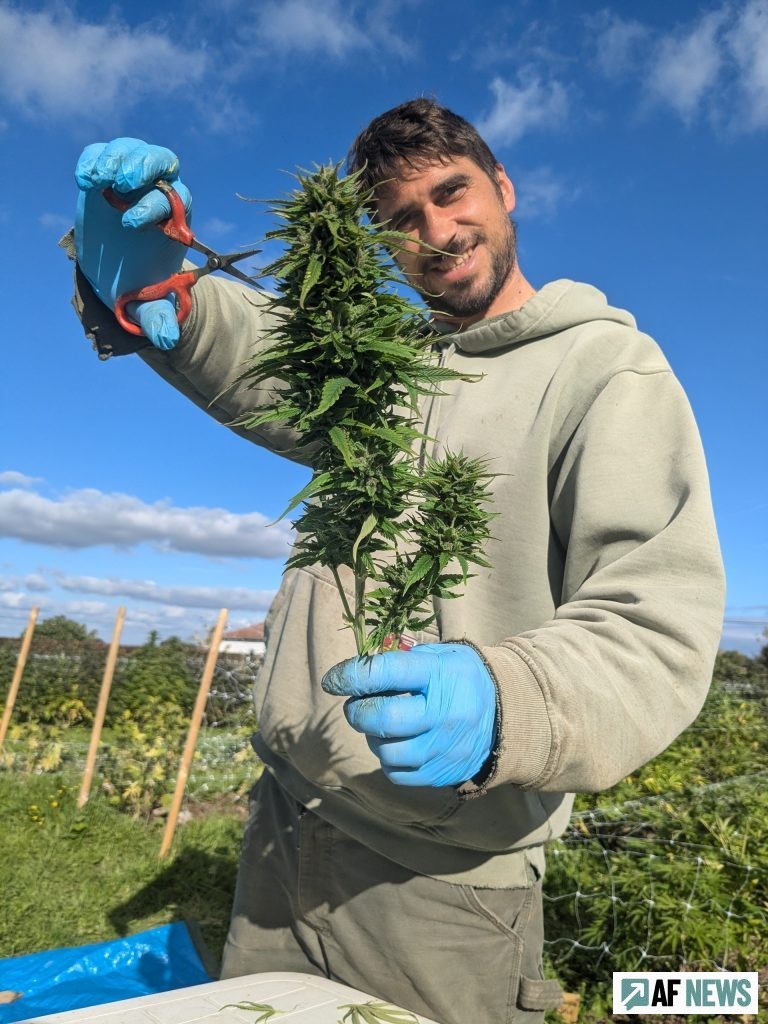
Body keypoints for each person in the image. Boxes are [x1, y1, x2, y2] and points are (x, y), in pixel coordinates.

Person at [67, 99, 725, 1024]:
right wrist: (148, 280)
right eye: (402, 221)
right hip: (282, 834)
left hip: (444, 887)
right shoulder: (380, 367)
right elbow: (257, 348)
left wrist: (510, 698)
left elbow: (657, 622)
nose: (437, 232)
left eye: (452, 194)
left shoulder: (606, 372)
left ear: (502, 187)